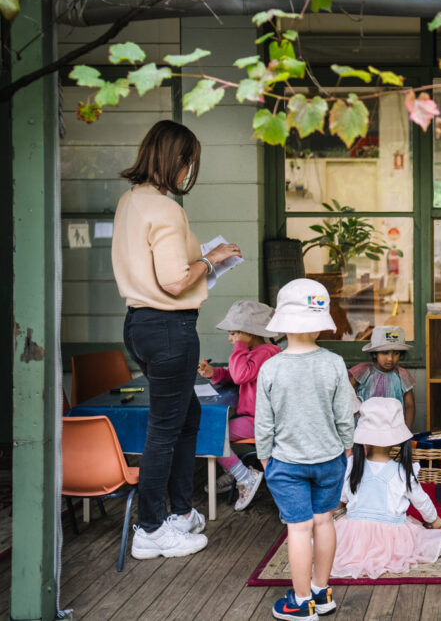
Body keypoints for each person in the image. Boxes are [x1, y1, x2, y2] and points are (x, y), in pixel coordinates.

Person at [114, 120, 242, 560]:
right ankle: (151, 528)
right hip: (169, 327)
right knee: (165, 431)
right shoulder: (166, 209)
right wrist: (212, 258)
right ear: (176, 160)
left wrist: (202, 262)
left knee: (185, 418)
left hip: (139, 324)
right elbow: (174, 281)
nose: (189, 171)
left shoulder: (130, 202)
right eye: (188, 162)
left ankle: (181, 512)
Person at [256, 278, 357, 621]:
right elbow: (345, 414)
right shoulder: (333, 363)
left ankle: (301, 603)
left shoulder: (270, 368)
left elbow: (263, 423)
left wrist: (264, 454)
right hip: (330, 458)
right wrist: (346, 446)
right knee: (324, 521)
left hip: (287, 462)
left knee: (298, 529)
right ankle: (321, 591)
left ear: (284, 324)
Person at [332, 397, 441, 579]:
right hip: (390, 535)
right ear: (397, 439)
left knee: (332, 544)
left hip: (355, 533)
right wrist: (434, 520)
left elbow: (341, 497)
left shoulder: (352, 465)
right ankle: (440, 544)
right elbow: (421, 500)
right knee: (416, 541)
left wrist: (331, 516)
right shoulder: (402, 471)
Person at [197, 300, 281, 510]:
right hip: (254, 417)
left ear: (249, 332)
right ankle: (234, 471)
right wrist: (215, 373)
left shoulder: (267, 352)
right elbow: (238, 375)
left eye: (234, 333)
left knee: (209, 434)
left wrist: (239, 346)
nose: (230, 339)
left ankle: (243, 475)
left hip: (261, 421)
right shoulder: (259, 352)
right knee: (214, 430)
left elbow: (241, 374)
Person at [348, 325, 416, 430]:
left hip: (393, 433)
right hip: (363, 433)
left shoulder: (403, 375)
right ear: (375, 354)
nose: (390, 359)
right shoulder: (363, 372)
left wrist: (405, 433)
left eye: (396, 353)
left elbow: (409, 406)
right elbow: (345, 398)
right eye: (385, 353)